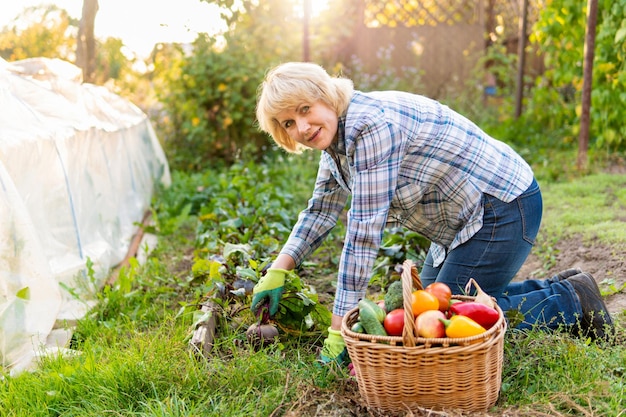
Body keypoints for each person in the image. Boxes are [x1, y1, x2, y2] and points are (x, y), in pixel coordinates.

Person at [250, 62, 614, 364]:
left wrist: (337, 331)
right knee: (424, 306)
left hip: (501, 206)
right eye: (287, 123)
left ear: (325, 96)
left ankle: (570, 302)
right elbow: (319, 212)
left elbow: (362, 234)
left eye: (304, 110)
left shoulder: (371, 126)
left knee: (441, 324)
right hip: (461, 220)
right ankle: (563, 289)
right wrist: (278, 271)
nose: (302, 127)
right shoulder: (337, 142)